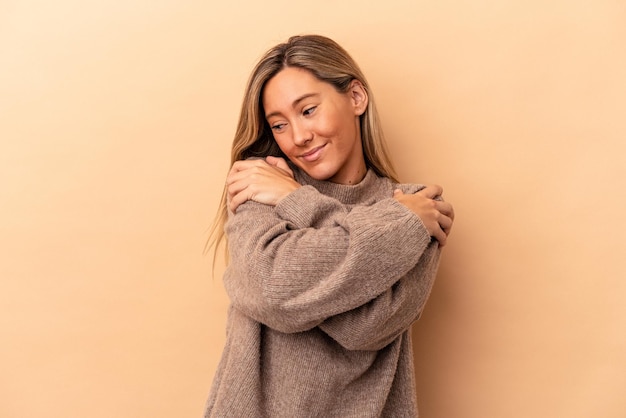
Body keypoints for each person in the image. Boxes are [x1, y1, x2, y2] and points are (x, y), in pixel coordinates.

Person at [204, 34, 454, 418]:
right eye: (279, 125)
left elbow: (368, 328)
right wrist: (391, 232)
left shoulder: (418, 205)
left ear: (356, 97)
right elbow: (272, 290)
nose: (299, 137)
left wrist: (296, 205)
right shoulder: (258, 186)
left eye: (307, 111)